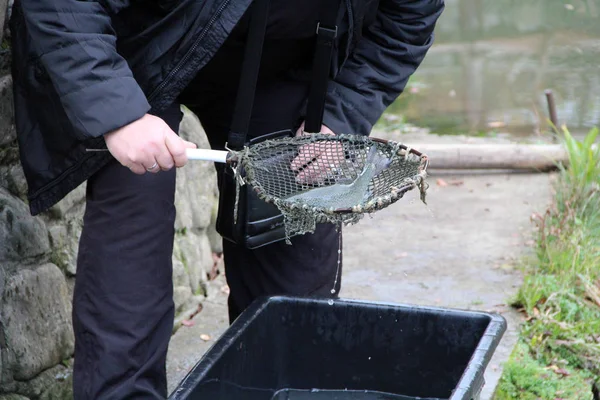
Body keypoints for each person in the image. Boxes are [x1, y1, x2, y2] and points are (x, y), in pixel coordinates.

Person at [10, 0, 444, 398]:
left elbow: (407, 19)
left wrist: (340, 115)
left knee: (293, 294)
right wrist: (117, 113)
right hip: (138, 49)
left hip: (284, 60)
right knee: (130, 241)